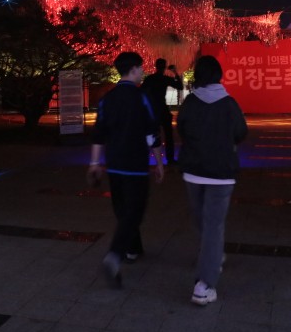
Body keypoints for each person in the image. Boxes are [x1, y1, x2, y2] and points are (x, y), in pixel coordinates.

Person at [88, 51, 165, 287]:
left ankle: (133, 249)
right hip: (136, 166)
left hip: (114, 165)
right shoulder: (142, 98)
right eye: (140, 68)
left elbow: (99, 134)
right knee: (135, 211)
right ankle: (115, 254)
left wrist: (94, 163)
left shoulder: (106, 100)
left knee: (123, 210)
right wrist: (160, 163)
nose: (143, 71)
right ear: (132, 69)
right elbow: (151, 133)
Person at [176, 54, 247, 306]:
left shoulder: (191, 103)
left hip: (193, 172)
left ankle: (212, 258)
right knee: (213, 227)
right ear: (219, 75)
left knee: (203, 223)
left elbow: (181, 129)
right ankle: (204, 285)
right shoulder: (229, 104)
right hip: (221, 175)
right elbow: (241, 132)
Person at [142, 58, 183, 163]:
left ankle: (144, 158)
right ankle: (170, 158)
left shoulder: (149, 79)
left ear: (155, 66)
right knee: (168, 136)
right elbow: (180, 86)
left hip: (152, 110)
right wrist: (174, 72)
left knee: (151, 134)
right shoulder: (165, 79)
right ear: (165, 67)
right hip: (163, 109)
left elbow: (141, 92)